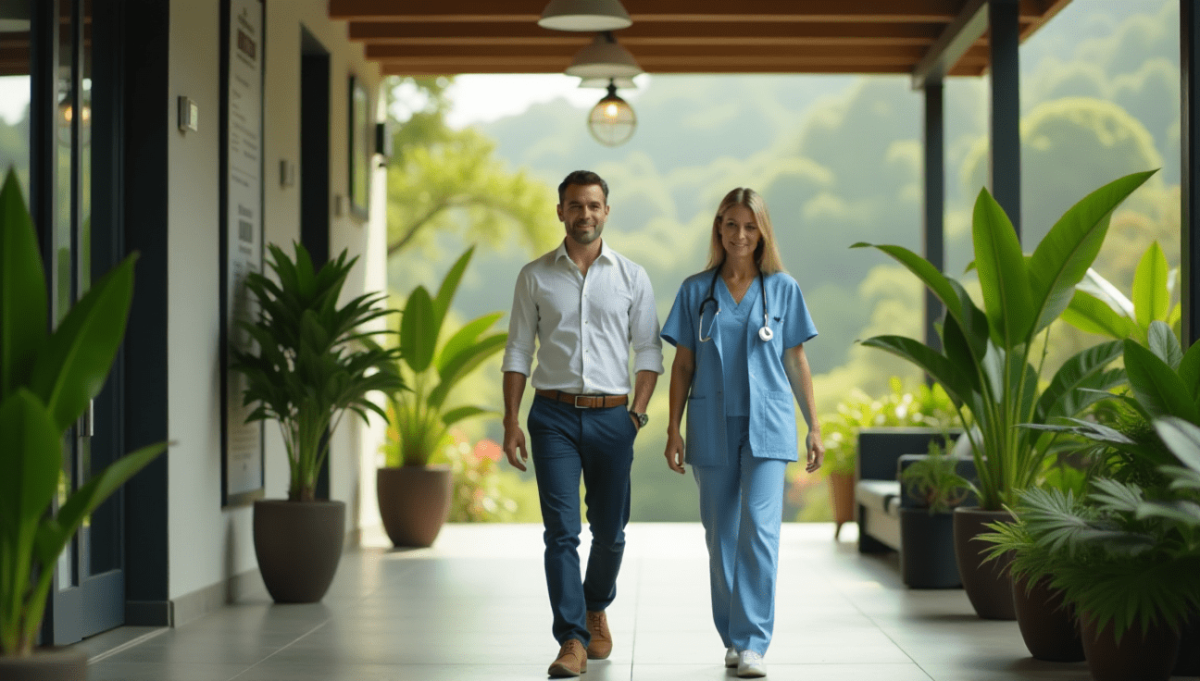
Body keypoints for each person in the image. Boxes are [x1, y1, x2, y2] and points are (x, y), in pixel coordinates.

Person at [501, 170, 663, 678]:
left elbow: (650, 350)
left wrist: (636, 413)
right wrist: (510, 420)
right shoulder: (534, 275)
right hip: (551, 417)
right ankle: (571, 639)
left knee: (611, 532)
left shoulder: (633, 276)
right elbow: (518, 351)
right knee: (561, 532)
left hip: (615, 416)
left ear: (606, 212)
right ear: (561, 212)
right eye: (575, 205)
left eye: (593, 205)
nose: (585, 214)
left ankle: (596, 606)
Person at [660, 187, 823, 678]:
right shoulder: (695, 291)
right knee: (720, 533)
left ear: (762, 232)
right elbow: (683, 363)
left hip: (769, 423)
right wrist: (672, 428)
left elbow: (796, 358)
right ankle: (732, 634)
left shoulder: (783, 289)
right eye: (731, 224)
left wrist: (815, 425)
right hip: (710, 420)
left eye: (750, 226)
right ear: (719, 228)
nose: (740, 235)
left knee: (760, 528)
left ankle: (752, 641)